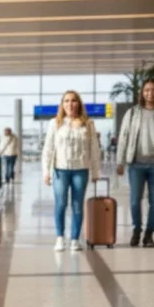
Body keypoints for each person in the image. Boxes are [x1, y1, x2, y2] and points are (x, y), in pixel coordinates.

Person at [42, 90, 102, 252]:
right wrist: (46, 171)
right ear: (62, 104)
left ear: (79, 104)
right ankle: (60, 238)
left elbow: (94, 149)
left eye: (74, 101)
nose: (70, 104)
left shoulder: (88, 124)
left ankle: (75, 239)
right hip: (60, 170)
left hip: (80, 170)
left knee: (77, 206)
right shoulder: (55, 123)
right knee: (60, 204)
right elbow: (48, 148)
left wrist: (96, 172)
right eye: (66, 101)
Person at [115, 77, 154, 247]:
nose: (150, 93)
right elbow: (124, 137)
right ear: (142, 93)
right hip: (136, 164)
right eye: (147, 90)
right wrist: (119, 161)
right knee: (135, 200)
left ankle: (149, 234)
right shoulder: (133, 113)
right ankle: (137, 230)